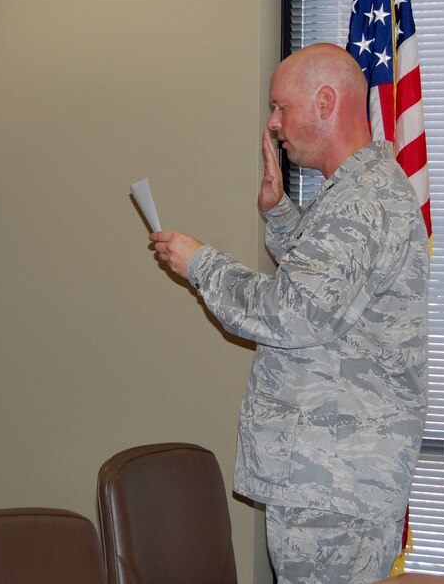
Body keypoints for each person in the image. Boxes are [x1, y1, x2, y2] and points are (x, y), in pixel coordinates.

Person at [149, 43, 429, 583]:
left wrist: (201, 264)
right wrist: (280, 215)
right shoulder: (364, 190)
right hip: (342, 478)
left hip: (334, 486)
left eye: (281, 107)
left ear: (326, 102)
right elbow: (334, 287)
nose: (274, 123)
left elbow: (293, 313)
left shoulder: (360, 201)